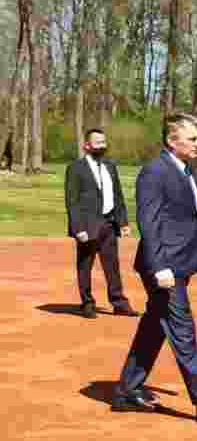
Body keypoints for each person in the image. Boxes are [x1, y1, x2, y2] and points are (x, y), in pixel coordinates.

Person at [111, 113, 197, 422]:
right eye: (192, 138)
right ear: (172, 141)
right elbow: (150, 223)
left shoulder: (187, 172)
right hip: (163, 268)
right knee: (182, 330)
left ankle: (127, 389)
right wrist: (160, 267)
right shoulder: (155, 172)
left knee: (155, 326)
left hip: (182, 264)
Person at [63, 129, 136, 318]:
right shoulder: (76, 168)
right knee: (85, 265)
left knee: (112, 266)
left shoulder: (110, 166)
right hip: (87, 226)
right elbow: (72, 201)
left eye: (103, 142)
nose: (102, 146)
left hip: (109, 224)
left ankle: (119, 303)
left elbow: (117, 196)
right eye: (97, 142)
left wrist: (123, 222)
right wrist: (78, 228)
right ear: (86, 145)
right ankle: (87, 303)